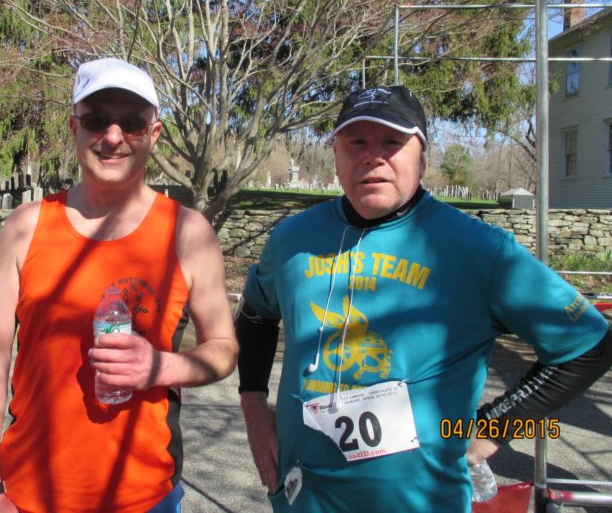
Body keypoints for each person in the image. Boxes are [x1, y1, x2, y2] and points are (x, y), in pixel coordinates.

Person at [236, 86, 612, 512]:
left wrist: (493, 431)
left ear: (422, 157)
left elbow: (589, 346)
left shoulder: (480, 250)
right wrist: (253, 408)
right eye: (356, 142)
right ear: (336, 153)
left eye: (392, 142)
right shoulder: (291, 239)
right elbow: (255, 315)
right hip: (304, 497)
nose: (373, 157)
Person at [0, 57, 238, 512]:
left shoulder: (188, 233)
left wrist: (162, 367)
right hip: (29, 494)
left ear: (153, 134)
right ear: (75, 127)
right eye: (96, 121)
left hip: (145, 497)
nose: (113, 137)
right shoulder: (25, 227)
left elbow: (224, 349)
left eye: (131, 123)